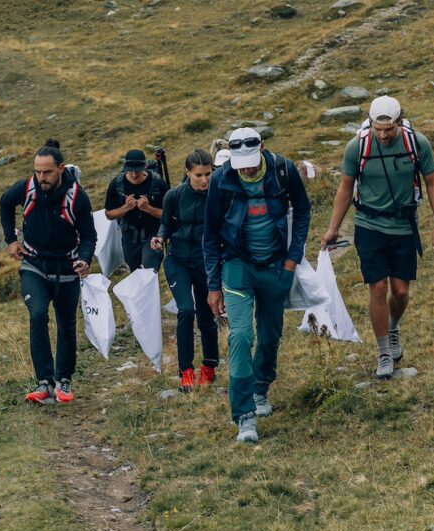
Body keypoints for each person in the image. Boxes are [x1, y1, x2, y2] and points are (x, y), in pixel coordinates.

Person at [320, 96, 434, 380]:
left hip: (403, 224)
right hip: (369, 224)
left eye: (388, 129)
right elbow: (345, 188)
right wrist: (333, 228)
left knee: (400, 291)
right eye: (378, 129)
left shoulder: (418, 144)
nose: (383, 135)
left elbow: (432, 182)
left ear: (400, 122)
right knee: (377, 287)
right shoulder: (358, 147)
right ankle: (384, 353)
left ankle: (392, 327)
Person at [203, 127, 311, 444]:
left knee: (269, 335)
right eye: (241, 163)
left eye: (251, 161)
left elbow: (303, 210)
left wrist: (293, 257)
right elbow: (210, 236)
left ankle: (261, 386)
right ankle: (244, 416)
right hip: (237, 265)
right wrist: (213, 285)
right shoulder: (221, 180)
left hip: (277, 266)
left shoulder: (282, 169)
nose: (247, 168)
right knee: (240, 336)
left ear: (262, 148)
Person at [0, 139, 97, 404]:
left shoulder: (77, 196)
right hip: (34, 265)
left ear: (61, 169)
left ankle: (64, 380)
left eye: (47, 172)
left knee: (66, 325)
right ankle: (44, 381)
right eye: (37, 171)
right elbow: (5, 204)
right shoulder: (27, 187)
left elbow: (89, 235)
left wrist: (85, 259)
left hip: (66, 268)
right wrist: (11, 240)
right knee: (38, 315)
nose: (41, 177)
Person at [151, 149, 219, 392]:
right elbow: (165, 225)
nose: (204, 180)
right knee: (186, 311)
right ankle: (186, 372)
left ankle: (209, 367)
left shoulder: (218, 194)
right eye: (199, 175)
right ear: (188, 172)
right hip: (178, 260)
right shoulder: (174, 196)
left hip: (205, 262)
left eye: (208, 174)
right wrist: (159, 238)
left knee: (205, 313)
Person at [104, 149, 168, 273]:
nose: (134, 175)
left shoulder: (158, 183)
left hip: (153, 231)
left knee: (148, 269)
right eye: (130, 170)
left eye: (137, 170)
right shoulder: (117, 184)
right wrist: (126, 208)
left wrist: (148, 209)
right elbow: (109, 214)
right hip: (129, 234)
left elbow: (170, 214)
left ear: (145, 166)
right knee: (135, 272)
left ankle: (149, 290)